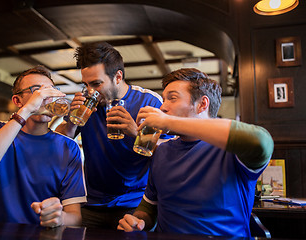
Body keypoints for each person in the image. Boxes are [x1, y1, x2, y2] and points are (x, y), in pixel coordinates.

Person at [117, 68, 274, 237]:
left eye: (172, 98)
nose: (162, 107)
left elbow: (261, 141)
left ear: (202, 104)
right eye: (163, 99)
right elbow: (148, 207)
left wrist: (169, 122)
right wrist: (139, 221)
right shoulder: (162, 151)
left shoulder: (231, 151)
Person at [56, 42, 164, 229]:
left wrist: (135, 132)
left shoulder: (149, 101)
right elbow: (59, 143)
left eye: (97, 84)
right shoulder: (86, 103)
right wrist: (71, 121)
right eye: (86, 84)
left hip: (134, 203)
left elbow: (167, 154)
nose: (91, 91)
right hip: (91, 201)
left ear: (118, 76)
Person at [0, 65, 86, 227]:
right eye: (36, 91)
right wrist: (27, 110)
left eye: (49, 91)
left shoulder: (68, 147)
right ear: (17, 100)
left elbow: (75, 218)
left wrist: (59, 217)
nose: (44, 96)